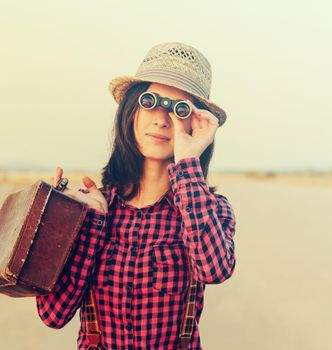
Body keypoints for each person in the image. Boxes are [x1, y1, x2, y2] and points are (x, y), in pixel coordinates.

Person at [36, 42, 237, 350]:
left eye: (179, 109)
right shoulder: (92, 208)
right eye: (150, 102)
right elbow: (53, 314)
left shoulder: (209, 210)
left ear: (196, 123)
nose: (161, 119)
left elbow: (215, 268)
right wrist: (89, 226)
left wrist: (187, 165)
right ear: (130, 112)